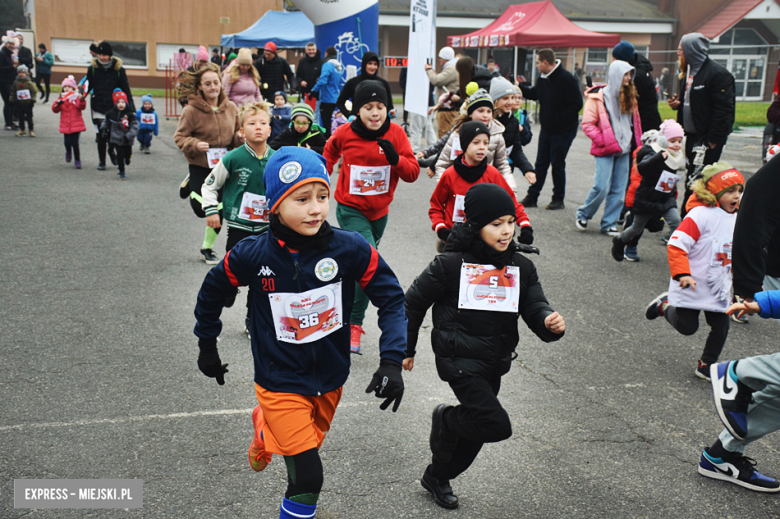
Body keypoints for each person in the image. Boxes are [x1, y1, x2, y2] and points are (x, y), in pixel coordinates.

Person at [193, 146, 407, 519]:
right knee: (308, 477)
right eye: (302, 199)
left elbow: (391, 298)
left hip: (330, 377)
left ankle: (263, 430)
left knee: (308, 451)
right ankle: (272, 425)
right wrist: (206, 343)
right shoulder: (252, 254)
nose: (316, 208)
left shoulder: (350, 247)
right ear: (274, 204)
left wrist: (391, 359)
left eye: (323, 196)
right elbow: (213, 289)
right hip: (278, 380)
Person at [404, 183, 565, 510]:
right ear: (475, 226)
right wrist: (405, 349)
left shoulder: (521, 266)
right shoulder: (450, 265)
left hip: (494, 360)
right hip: (458, 359)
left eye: (510, 221)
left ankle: (437, 475)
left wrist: (548, 321)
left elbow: (534, 307)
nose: (506, 231)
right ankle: (447, 419)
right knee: (495, 424)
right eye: (496, 224)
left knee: (478, 430)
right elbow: (411, 303)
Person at [323, 80, 420, 353]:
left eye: (380, 107)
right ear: (357, 110)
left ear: (388, 108)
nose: (375, 113)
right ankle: (353, 324)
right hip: (350, 209)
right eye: (368, 107)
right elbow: (328, 154)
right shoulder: (344, 132)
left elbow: (412, 173)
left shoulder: (397, 134)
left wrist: (396, 160)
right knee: (369, 261)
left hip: (380, 213)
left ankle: (336, 303)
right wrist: (322, 179)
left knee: (358, 269)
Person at [645, 162, 744, 379]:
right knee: (687, 328)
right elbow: (677, 245)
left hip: (719, 285)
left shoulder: (739, 218)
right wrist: (683, 273)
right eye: (730, 191)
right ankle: (664, 306)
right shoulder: (700, 215)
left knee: (722, 325)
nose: (736, 196)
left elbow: (741, 251)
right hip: (692, 282)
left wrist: (746, 282)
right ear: (714, 192)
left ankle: (707, 364)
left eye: (739, 191)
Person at [200, 100, 275, 338]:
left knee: (262, 278)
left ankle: (253, 320)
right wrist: (212, 210)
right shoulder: (233, 158)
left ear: (270, 129)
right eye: (252, 123)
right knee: (235, 271)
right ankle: (229, 288)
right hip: (239, 228)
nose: (258, 127)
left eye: (263, 123)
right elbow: (209, 186)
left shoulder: (277, 160)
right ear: (241, 131)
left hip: (268, 230)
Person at [174, 62, 241, 264]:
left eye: (216, 82)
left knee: (219, 209)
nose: (213, 87)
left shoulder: (231, 108)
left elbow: (236, 137)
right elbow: (180, 137)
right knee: (200, 209)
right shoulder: (190, 111)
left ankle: (207, 248)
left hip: (222, 166)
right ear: (199, 87)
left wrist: (241, 138)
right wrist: (195, 144)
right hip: (200, 165)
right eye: (208, 83)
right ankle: (189, 183)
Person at [429, 120, 532, 253]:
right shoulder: (449, 175)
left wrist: (525, 225)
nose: (482, 147)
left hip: (484, 241)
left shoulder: (492, 173)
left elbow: (511, 202)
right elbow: (435, 207)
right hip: (454, 239)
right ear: (465, 145)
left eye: (486, 143)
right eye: (476, 142)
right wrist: (441, 229)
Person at [667, 33, 736, 218]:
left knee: (698, 181)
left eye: (681, 49)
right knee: (692, 179)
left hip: (707, 139)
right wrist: (679, 105)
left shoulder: (718, 75)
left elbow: (724, 110)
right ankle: (689, 222)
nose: (678, 53)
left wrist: (712, 141)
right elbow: (696, 104)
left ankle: (690, 223)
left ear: (691, 50)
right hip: (693, 136)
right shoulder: (689, 73)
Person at [576, 60, 641, 236]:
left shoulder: (630, 96)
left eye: (630, 74)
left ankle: (608, 223)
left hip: (624, 149)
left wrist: (637, 144)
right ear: (616, 75)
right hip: (605, 149)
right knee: (601, 186)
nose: (629, 78)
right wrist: (604, 141)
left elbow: (634, 124)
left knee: (619, 189)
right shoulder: (597, 97)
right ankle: (583, 214)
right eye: (626, 74)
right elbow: (588, 124)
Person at [518, 49, 583, 210]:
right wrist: (519, 87)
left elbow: (576, 104)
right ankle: (533, 195)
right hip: (547, 129)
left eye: (538, 62)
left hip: (563, 130)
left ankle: (558, 198)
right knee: (541, 163)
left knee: (557, 163)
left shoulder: (566, 79)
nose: (537, 66)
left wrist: (559, 120)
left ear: (545, 63)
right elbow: (535, 94)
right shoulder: (543, 78)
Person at [611, 120, 684, 262]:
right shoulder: (653, 152)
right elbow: (642, 168)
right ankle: (620, 240)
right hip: (648, 198)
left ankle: (676, 252)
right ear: (662, 141)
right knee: (636, 229)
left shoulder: (676, 156)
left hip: (665, 198)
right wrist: (659, 157)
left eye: (680, 141)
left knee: (676, 222)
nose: (677, 145)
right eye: (673, 141)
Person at [434, 87, 516, 192]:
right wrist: (446, 190)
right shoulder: (458, 134)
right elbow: (443, 164)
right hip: (459, 190)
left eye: (489, 111)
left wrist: (511, 190)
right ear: (470, 113)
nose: (485, 115)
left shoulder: (497, 135)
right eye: (480, 111)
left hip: (486, 190)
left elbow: (502, 166)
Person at [85, 41, 134, 171]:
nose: (102, 57)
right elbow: (88, 86)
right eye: (100, 54)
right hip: (98, 106)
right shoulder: (93, 69)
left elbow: (126, 90)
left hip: (114, 108)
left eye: (105, 55)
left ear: (110, 55)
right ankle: (102, 161)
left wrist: (131, 109)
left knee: (114, 134)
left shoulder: (118, 70)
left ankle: (111, 151)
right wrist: (80, 96)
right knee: (102, 134)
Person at [491, 76, 536, 190]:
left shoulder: (513, 122)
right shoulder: (487, 120)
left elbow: (516, 150)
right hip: (484, 171)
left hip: (504, 168)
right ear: (495, 100)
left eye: (512, 97)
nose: (511, 102)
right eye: (505, 98)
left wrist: (527, 169)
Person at [612, 41, 661, 132]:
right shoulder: (639, 71)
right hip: (647, 121)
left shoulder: (637, 76)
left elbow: (625, 99)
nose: (612, 62)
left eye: (615, 59)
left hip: (644, 124)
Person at [336, 52, 396, 119]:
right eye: (370, 63)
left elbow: (389, 106)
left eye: (375, 64)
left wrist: (391, 113)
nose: (372, 67)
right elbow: (340, 102)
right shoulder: (353, 82)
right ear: (364, 64)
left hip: (378, 124)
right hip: (358, 124)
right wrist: (349, 116)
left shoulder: (383, 84)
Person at [100, 89, 138, 180]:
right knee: (120, 155)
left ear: (126, 103)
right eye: (118, 102)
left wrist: (129, 135)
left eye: (123, 102)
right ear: (115, 104)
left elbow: (135, 126)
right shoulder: (111, 114)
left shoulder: (130, 115)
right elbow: (106, 122)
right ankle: (121, 171)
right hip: (116, 138)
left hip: (127, 139)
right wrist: (104, 129)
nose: (121, 104)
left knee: (127, 153)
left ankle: (128, 157)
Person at [52, 75, 88, 169]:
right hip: (66, 125)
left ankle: (77, 160)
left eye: (69, 87)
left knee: (75, 143)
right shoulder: (61, 99)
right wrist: (57, 104)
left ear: (73, 88)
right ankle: (68, 151)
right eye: (65, 87)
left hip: (76, 124)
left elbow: (81, 107)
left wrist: (82, 100)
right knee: (67, 142)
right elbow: (55, 110)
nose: (67, 89)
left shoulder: (76, 98)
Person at [425, 47, 460, 139]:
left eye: (440, 58)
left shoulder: (451, 69)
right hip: (447, 107)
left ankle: (444, 153)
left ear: (445, 58)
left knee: (444, 135)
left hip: (447, 109)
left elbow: (437, 81)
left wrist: (429, 70)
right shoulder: (453, 67)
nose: (439, 60)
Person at [310, 46, 341, 138]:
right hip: (335, 97)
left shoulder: (327, 65)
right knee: (332, 123)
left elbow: (323, 80)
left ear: (326, 54)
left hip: (326, 98)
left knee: (326, 125)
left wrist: (313, 90)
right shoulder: (338, 67)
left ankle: (327, 144)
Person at [10, 64, 37, 137]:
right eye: (19, 73)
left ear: (26, 73)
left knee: (29, 117)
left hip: (28, 103)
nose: (21, 74)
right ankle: (22, 130)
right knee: (20, 117)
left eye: (23, 73)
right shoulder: (16, 83)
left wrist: (33, 100)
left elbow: (34, 91)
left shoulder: (29, 83)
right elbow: (13, 91)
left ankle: (31, 130)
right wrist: (12, 99)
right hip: (19, 103)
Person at [1, 36, 18, 130]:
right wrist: (12, 67)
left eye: (12, 44)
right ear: (5, 44)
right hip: (4, 81)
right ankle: (7, 123)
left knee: (11, 102)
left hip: (10, 80)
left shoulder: (9, 54)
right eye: (9, 44)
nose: (11, 45)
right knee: (8, 102)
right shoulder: (2, 54)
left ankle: (11, 122)